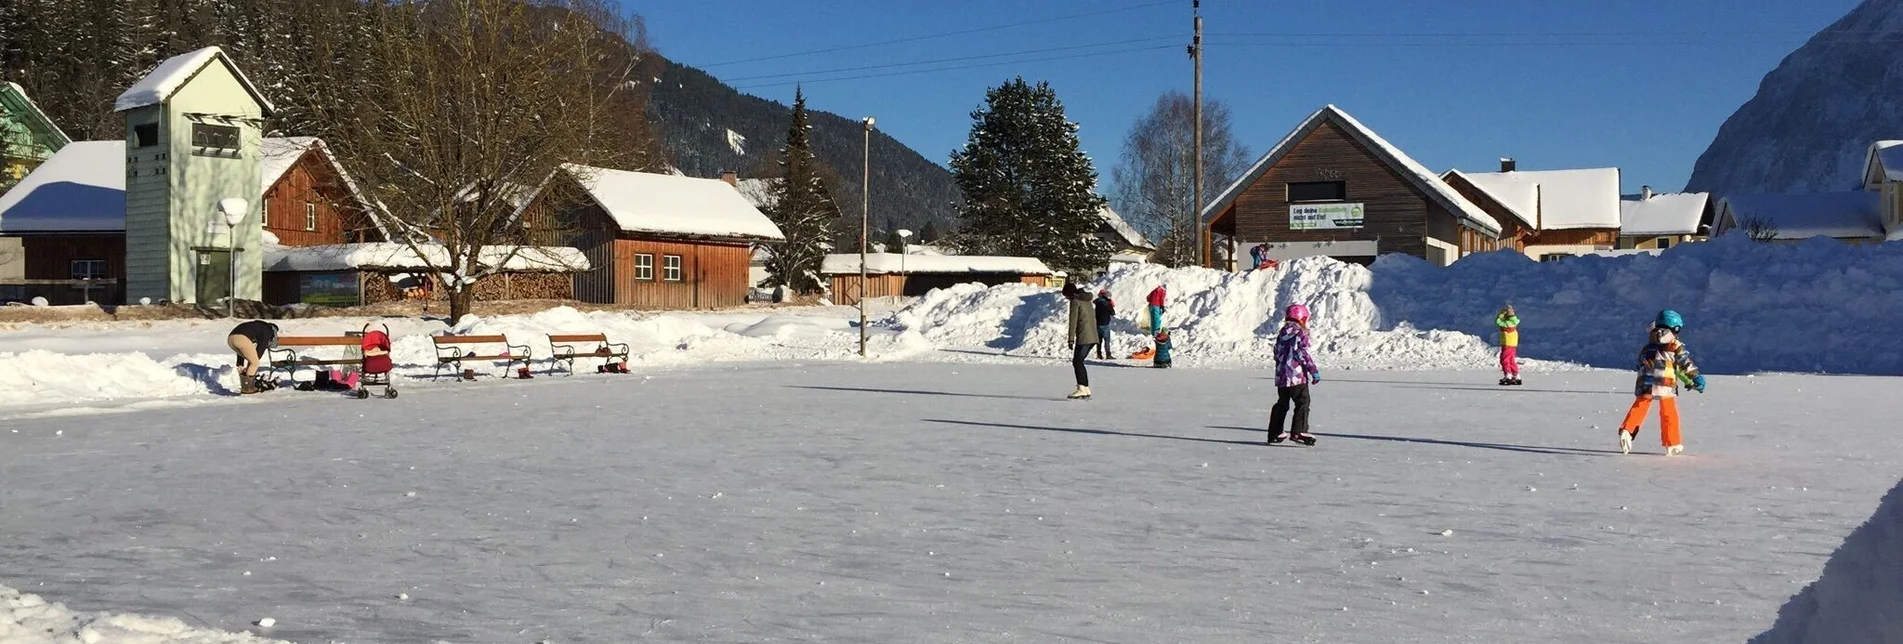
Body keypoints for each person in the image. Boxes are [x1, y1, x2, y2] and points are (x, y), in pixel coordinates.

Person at [1618, 309, 1706, 456]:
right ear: (1675, 327)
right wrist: (1695, 377)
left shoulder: (1649, 345)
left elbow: (1639, 362)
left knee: (1640, 406)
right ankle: (1672, 443)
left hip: (1645, 381)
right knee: (1668, 412)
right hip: (1664, 382)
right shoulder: (1674, 345)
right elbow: (1684, 363)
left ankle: (1627, 430)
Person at [1268, 304, 1321, 446]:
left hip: (1282, 377)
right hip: (1297, 376)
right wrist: (1313, 371)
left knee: (1282, 404)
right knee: (1303, 402)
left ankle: (1275, 432)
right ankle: (1299, 431)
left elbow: (1276, 353)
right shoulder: (1300, 334)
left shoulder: (1282, 334)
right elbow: (1303, 354)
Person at [1064, 283, 1100, 399]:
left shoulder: (1075, 301)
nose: (1067, 298)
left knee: (1077, 362)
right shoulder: (1086, 300)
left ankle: (1081, 388)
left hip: (1084, 336)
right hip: (1093, 335)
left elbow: (1073, 320)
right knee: (1079, 361)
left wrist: (1070, 339)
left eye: (1066, 296)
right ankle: (1085, 388)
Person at [227, 320, 280, 395]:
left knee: (252, 361)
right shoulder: (268, 331)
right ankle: (248, 388)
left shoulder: (258, 326)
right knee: (255, 363)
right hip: (241, 338)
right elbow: (261, 348)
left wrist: (240, 363)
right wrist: (253, 363)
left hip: (231, 339)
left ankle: (246, 385)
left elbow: (241, 347)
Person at [1496, 305, 1522, 386]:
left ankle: (1508, 375)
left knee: (1504, 360)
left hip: (1507, 344)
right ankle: (1516, 375)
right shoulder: (1514, 322)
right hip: (1513, 345)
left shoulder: (1506, 324)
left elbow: (1498, 321)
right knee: (1511, 360)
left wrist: (1502, 313)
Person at [1092, 288, 1117, 359]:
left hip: (1097, 324)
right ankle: (1108, 354)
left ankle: (1099, 354)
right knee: (1107, 340)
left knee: (1099, 341)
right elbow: (1112, 312)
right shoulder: (1107, 303)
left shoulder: (1097, 302)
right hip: (1105, 324)